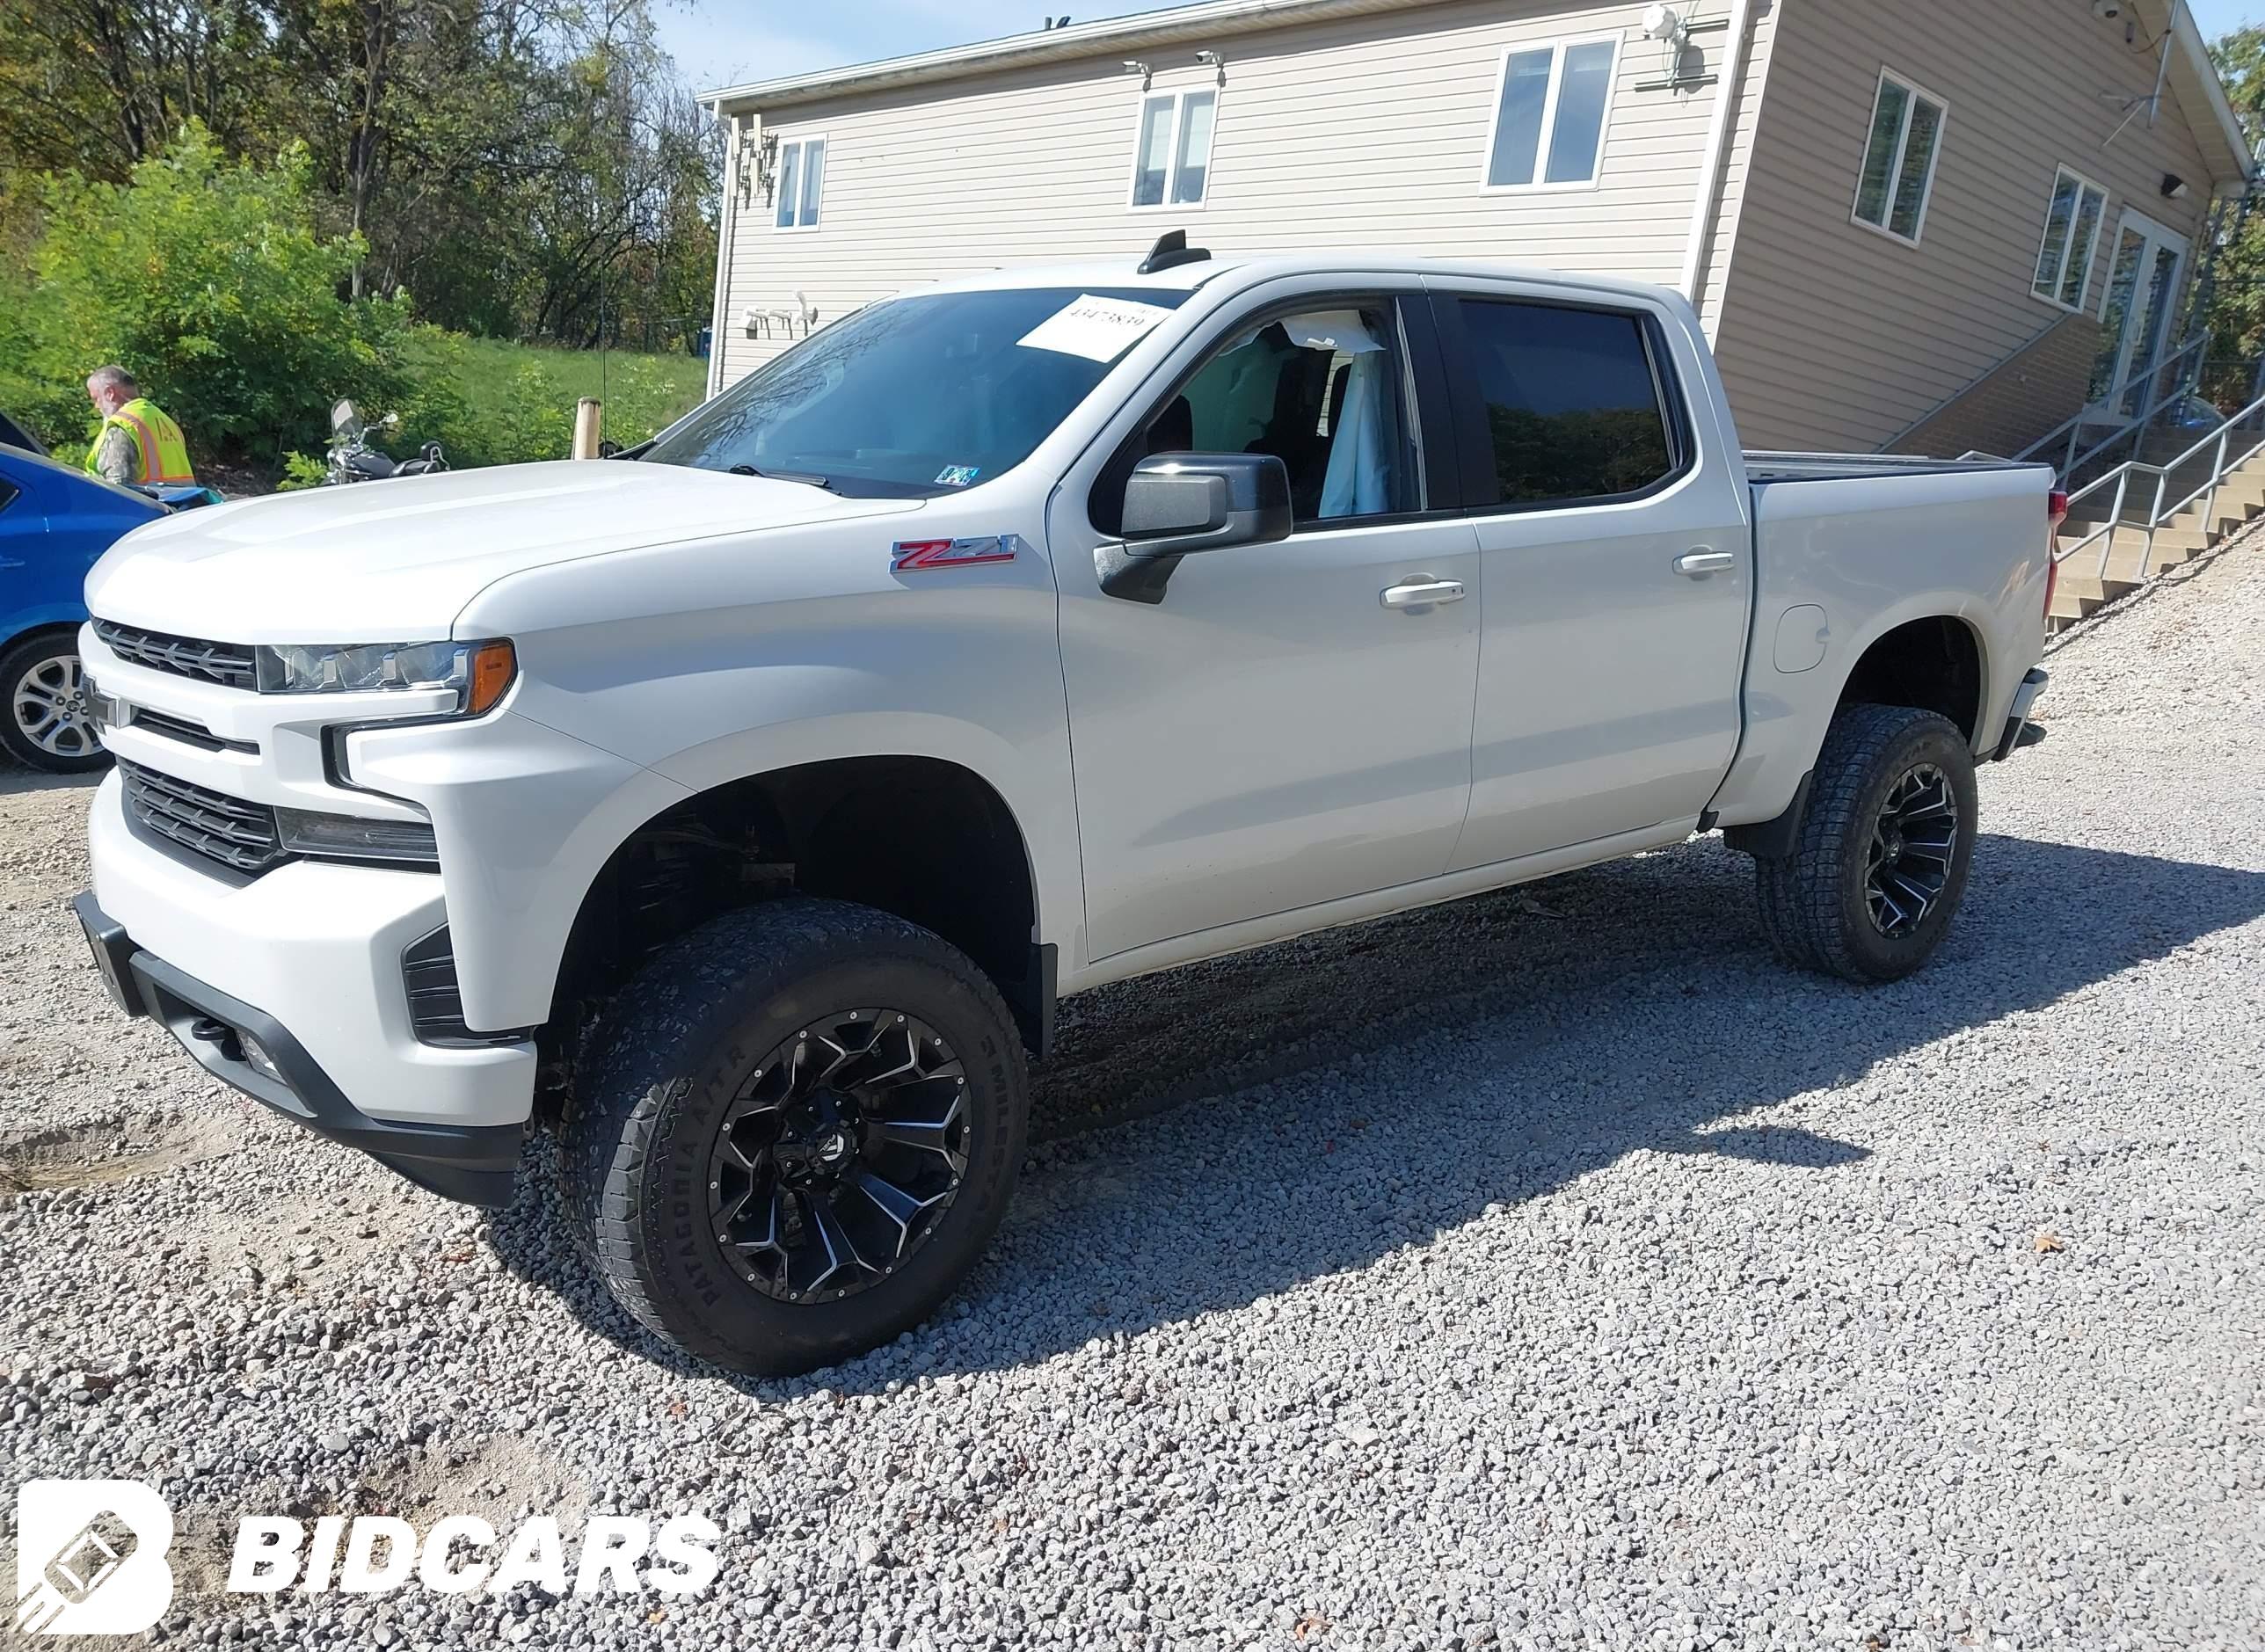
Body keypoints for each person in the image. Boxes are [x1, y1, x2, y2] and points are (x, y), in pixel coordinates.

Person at [83, 366, 195, 488]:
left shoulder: (122, 425)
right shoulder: (165, 421)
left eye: (96, 399)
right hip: (186, 504)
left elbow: (119, 488)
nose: (96, 406)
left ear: (110, 393)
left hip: (150, 505)